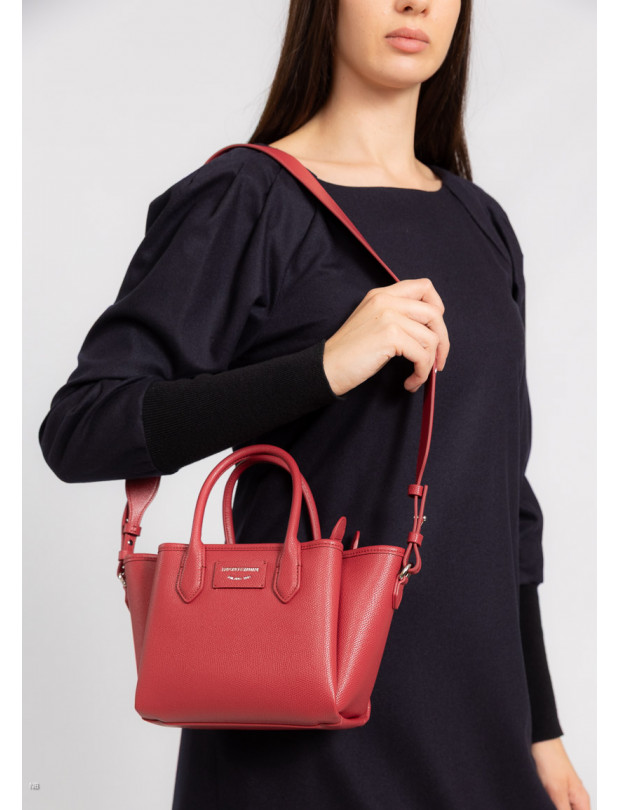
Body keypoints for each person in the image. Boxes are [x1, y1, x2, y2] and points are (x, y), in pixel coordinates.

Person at [38, 0, 591, 808]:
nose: (415, 2)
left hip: (479, 730)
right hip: (301, 738)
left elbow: (507, 503)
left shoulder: (481, 223)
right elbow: (83, 427)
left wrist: (542, 732)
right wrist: (326, 367)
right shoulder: (246, 198)